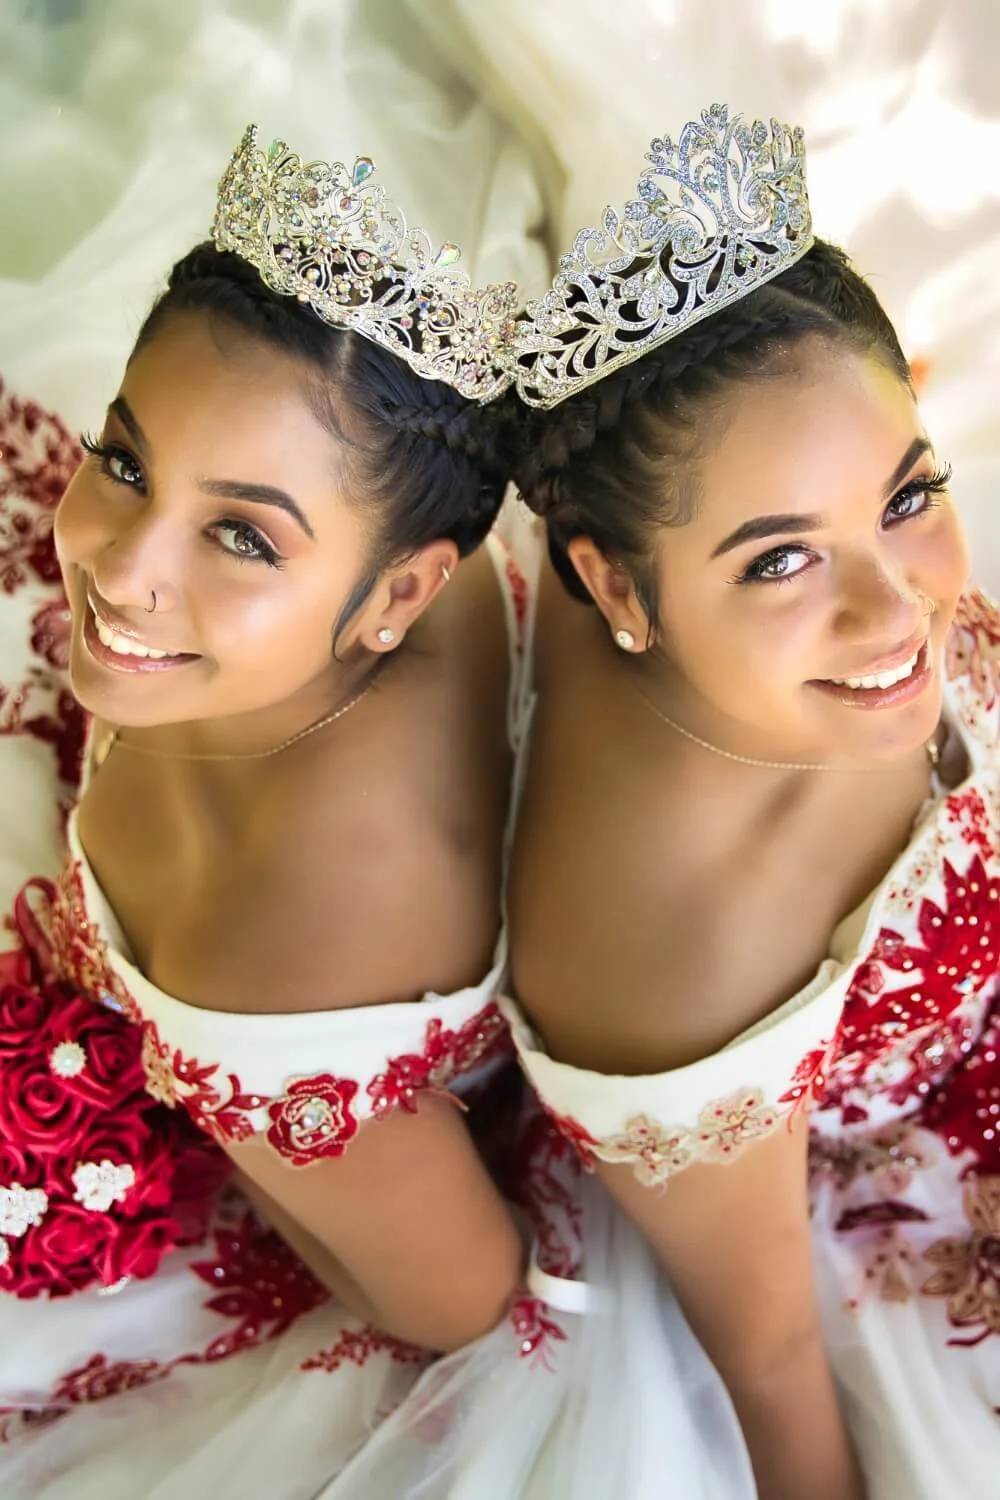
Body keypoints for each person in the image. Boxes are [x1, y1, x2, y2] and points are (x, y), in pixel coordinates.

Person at [0, 121, 536, 1498]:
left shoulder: (276, 959)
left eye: (241, 534)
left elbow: (458, 1298)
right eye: (127, 461)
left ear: (398, 593)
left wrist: (236, 1117)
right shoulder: (410, 544)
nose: (120, 567)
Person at [505, 104, 1000, 1500]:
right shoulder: (671, 968)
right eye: (780, 560)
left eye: (907, 495)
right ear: (614, 589)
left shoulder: (715, 557)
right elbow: (776, 1367)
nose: (896, 610)